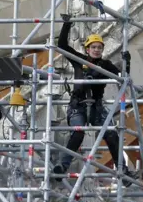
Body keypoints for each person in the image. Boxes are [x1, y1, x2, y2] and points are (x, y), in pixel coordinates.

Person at [53, 14, 138, 186]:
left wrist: (126, 63)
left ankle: (121, 169)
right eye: (94, 47)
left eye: (99, 47)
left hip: (97, 107)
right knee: (78, 132)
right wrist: (67, 24)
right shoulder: (79, 61)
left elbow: (123, 78)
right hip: (78, 105)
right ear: (87, 48)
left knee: (111, 135)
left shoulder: (106, 65)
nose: (97, 50)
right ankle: (62, 167)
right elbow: (62, 46)